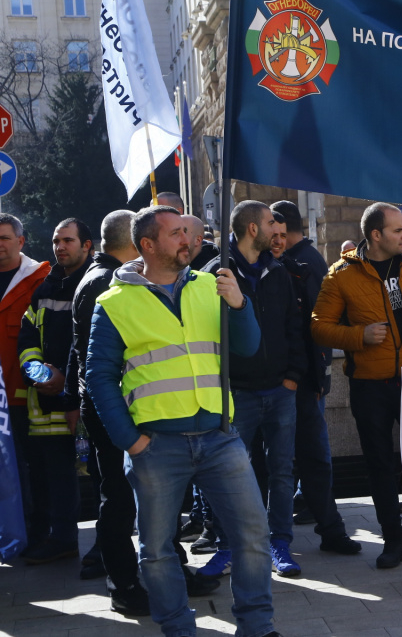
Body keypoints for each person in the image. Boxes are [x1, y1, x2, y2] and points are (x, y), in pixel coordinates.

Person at [86, 205, 277, 637]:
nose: (188, 240)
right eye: (175, 234)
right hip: (156, 446)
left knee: (252, 536)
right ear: (148, 245)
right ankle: (178, 630)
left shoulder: (211, 284)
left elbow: (247, 348)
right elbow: (98, 376)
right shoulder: (113, 302)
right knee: (156, 552)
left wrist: (240, 303)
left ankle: (258, 628)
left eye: (186, 233)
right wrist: (130, 441)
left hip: (219, 438)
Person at [311, 202, 402, 568]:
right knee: (378, 465)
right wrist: (358, 336)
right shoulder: (340, 274)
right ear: (375, 235)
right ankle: (394, 540)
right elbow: (318, 326)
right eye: (397, 230)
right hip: (369, 386)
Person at [200, 201, 306, 578]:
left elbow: (294, 327)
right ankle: (229, 546)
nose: (276, 229)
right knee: (228, 473)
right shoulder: (215, 274)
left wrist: (293, 374)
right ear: (251, 230)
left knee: (281, 471)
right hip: (236, 395)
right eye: (268, 223)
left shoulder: (278, 272)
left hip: (280, 390)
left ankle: (280, 543)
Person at [64, 210, 149, 614]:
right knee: (118, 497)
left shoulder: (98, 276)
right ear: (136, 243)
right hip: (111, 409)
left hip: (104, 406)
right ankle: (125, 584)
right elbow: (97, 360)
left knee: (128, 495)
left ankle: (149, 574)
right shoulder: (106, 282)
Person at [267, 211, 361, 556]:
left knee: (314, 456)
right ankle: (267, 539)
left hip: (302, 382)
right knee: (273, 464)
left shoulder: (300, 266)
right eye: (270, 233)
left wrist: (316, 372)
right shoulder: (237, 272)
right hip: (260, 387)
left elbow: (315, 325)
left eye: (281, 233)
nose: (278, 240)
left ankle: (330, 527)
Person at [18, 218, 93, 565]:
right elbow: (27, 336)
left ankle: (105, 545)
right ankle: (62, 538)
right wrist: (37, 372)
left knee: (97, 474)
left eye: (68, 240)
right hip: (48, 399)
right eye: (55, 241)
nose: (60, 247)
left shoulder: (95, 283)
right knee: (56, 474)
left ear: (87, 245)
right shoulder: (45, 287)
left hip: (86, 397)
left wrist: (68, 377)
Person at [0, 213, 51, 551]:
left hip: (23, 395)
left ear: (21, 241)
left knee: (32, 466)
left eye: (5, 238)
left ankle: (37, 531)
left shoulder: (39, 278)